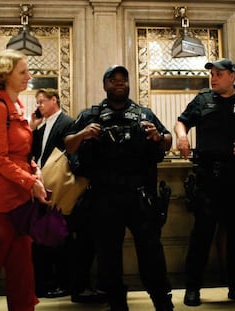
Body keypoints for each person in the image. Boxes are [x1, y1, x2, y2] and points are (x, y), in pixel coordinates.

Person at [64, 65, 173, 311]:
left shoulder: (144, 114)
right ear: (105, 85)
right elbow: (68, 146)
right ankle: (116, 304)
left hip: (139, 195)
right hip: (104, 197)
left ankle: (163, 302)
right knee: (108, 257)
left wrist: (158, 136)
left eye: (124, 80)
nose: (120, 83)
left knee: (151, 253)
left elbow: (168, 141)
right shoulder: (90, 115)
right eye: (114, 80)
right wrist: (83, 134)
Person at [174, 58, 235, 307]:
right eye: (211, 74)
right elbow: (182, 121)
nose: (213, 78)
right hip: (209, 179)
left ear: (232, 75)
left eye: (218, 74)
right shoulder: (203, 100)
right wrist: (182, 137)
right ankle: (192, 288)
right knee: (201, 235)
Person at [0, 49, 50, 311]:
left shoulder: (18, 107)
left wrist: (35, 170)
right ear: (5, 75)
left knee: (23, 274)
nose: (28, 76)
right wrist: (30, 181)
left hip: (19, 201)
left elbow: (21, 152)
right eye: (22, 72)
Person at [29, 89, 74, 298]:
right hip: (42, 186)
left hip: (59, 187)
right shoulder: (42, 126)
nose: (39, 106)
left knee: (59, 237)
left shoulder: (67, 122)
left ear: (53, 100)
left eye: (41, 102)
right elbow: (34, 153)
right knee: (44, 237)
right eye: (37, 102)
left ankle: (62, 282)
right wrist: (32, 128)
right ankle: (45, 282)